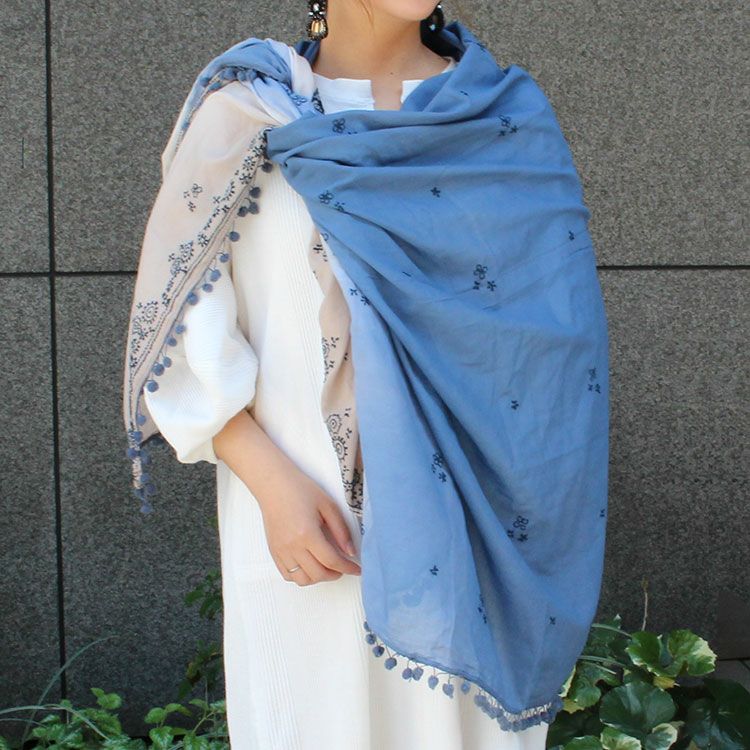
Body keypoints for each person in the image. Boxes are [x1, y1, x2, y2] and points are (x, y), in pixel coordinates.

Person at [123, 1, 610, 748]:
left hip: (476, 526)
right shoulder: (247, 114)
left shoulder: (500, 114)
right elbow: (189, 327)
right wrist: (271, 485)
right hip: (304, 521)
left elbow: (555, 345)